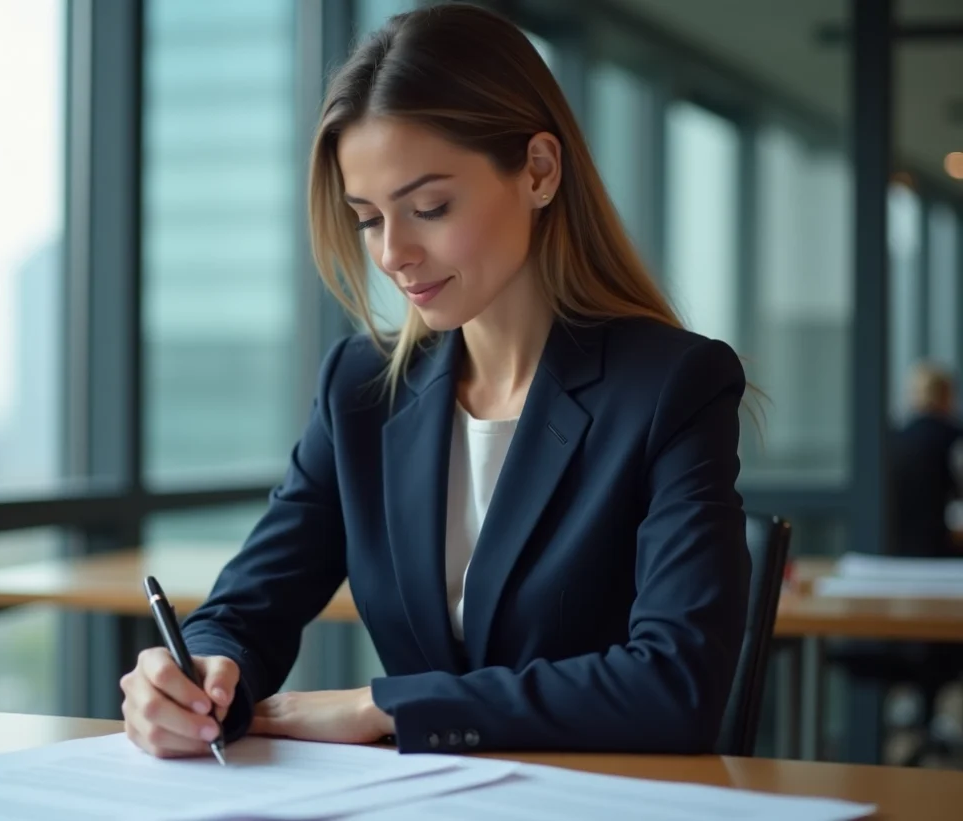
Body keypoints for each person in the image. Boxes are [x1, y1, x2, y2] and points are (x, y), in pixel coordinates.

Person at [121, 3, 751, 758]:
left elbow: (674, 687)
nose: (393, 253)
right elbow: (247, 606)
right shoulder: (361, 388)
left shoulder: (672, 387)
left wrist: (382, 705)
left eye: (429, 207)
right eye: (367, 218)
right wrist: (196, 672)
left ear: (540, 172)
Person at [891, 362, 963, 558]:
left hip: (895, 547)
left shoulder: (894, 439)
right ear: (947, 395)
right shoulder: (953, 437)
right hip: (942, 549)